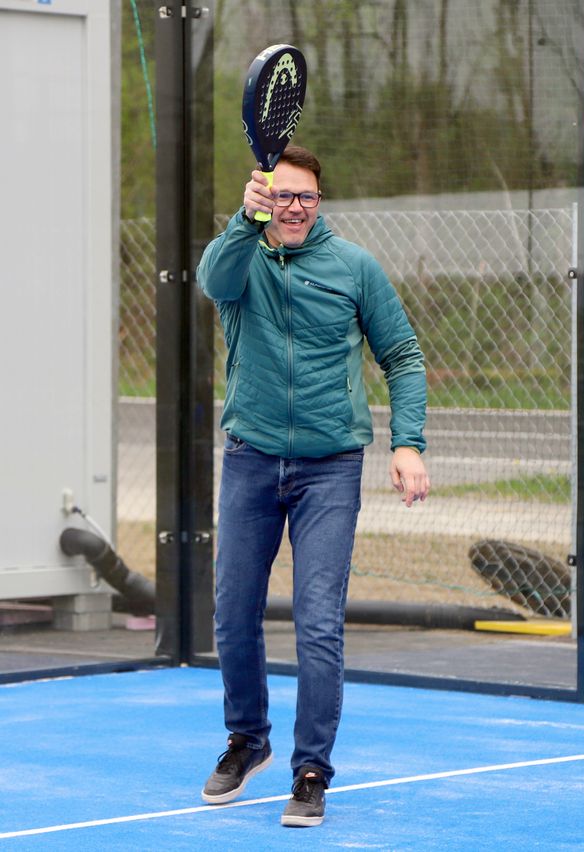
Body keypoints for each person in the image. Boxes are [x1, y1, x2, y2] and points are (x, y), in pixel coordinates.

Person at [196, 146, 429, 827]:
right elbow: (211, 279)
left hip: (331, 468)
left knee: (318, 622)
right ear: (263, 201)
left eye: (305, 198)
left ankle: (310, 772)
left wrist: (408, 442)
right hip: (249, 459)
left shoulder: (354, 267)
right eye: (281, 197)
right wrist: (244, 220)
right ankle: (248, 740)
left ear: (318, 203)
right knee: (234, 612)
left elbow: (403, 356)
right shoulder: (240, 259)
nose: (294, 208)